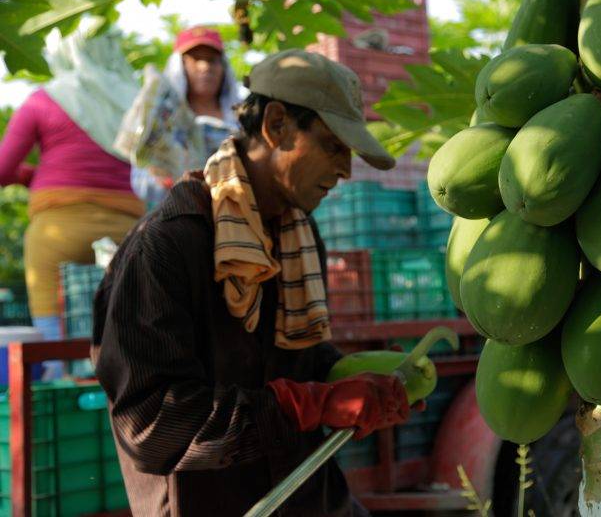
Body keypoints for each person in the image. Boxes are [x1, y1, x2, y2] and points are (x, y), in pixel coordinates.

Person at [92, 49, 414, 516]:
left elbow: (293, 360)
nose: (346, 170)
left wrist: (355, 381)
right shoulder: (165, 247)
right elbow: (152, 424)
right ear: (277, 124)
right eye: (332, 145)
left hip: (309, 498)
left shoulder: (298, 233)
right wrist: (308, 405)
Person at [0, 30, 143, 376]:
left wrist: (27, 175)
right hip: (129, 231)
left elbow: (2, 168)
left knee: (53, 337)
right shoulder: (135, 101)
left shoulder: (43, 101)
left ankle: (61, 384)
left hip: (57, 231)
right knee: (130, 329)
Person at [129, 26, 241, 209]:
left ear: (223, 67)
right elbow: (140, 180)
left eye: (212, 60)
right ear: (180, 66)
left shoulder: (240, 119)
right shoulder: (161, 119)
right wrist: (163, 180)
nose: (205, 67)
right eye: (196, 59)